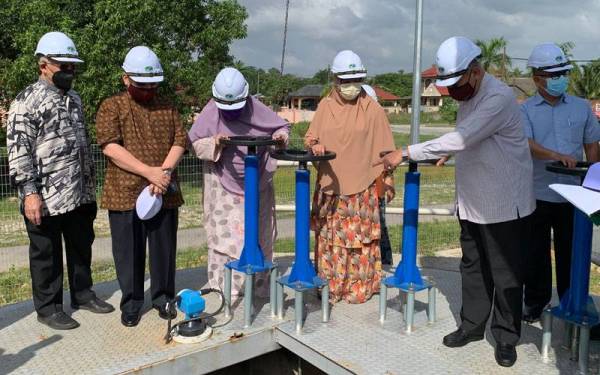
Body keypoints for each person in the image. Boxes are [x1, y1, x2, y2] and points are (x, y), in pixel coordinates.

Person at [378, 37, 534, 367]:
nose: (452, 91)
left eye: (456, 83)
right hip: (472, 201)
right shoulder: (470, 97)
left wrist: (405, 152)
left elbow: (463, 136)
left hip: (503, 204)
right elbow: (469, 136)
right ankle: (472, 326)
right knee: (473, 266)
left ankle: (506, 337)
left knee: (505, 274)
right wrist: (447, 150)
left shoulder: (498, 98)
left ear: (475, 72)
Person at [6, 31, 114, 330]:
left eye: (72, 67)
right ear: (44, 65)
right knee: (46, 254)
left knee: (81, 246)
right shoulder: (25, 101)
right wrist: (29, 193)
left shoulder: (75, 98)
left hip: (79, 191)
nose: (70, 72)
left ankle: (83, 293)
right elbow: (18, 150)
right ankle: (49, 307)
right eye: (63, 66)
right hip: (45, 195)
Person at [95, 46, 187, 327]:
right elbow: (110, 146)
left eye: (153, 85)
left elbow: (180, 140)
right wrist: (150, 172)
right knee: (128, 251)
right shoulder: (112, 106)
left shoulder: (168, 106)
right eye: (141, 85)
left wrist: (165, 173)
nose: (148, 89)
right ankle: (132, 302)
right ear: (125, 79)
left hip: (164, 190)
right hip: (124, 191)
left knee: (163, 249)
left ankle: (163, 298)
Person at [188, 67, 289, 300]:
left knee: (258, 234)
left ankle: (258, 288)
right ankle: (226, 289)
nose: (232, 114)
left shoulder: (257, 108)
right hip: (223, 186)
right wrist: (216, 142)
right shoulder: (210, 112)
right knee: (225, 236)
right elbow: (194, 143)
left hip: (258, 183)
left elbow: (280, 128)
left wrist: (280, 138)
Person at [305, 50, 395, 304]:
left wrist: (387, 177)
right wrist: (316, 146)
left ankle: (359, 288)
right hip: (330, 187)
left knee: (359, 241)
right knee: (330, 239)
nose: (350, 87)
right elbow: (311, 138)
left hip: (362, 189)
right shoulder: (325, 106)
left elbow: (386, 148)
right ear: (335, 79)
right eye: (345, 81)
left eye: (355, 80)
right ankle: (331, 288)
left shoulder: (373, 109)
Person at [520, 43, 600, 323]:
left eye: (563, 72)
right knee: (536, 254)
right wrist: (555, 155)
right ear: (537, 78)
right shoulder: (526, 110)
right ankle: (535, 302)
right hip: (538, 192)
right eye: (553, 74)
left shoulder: (581, 108)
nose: (560, 79)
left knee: (572, 253)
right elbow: (527, 144)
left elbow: (592, 145)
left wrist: (592, 181)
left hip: (574, 199)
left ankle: (572, 301)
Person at [362, 84, 394, 265]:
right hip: (356, 185)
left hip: (376, 185)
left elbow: (388, 154)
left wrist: (389, 179)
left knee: (379, 225)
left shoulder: (379, 125)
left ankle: (383, 263)